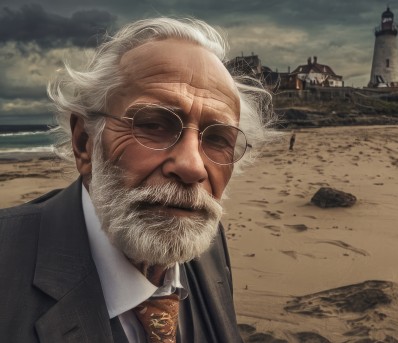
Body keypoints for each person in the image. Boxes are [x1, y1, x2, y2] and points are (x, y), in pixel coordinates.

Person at [0, 17, 274, 342]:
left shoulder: (211, 246)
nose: (192, 167)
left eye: (217, 139)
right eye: (154, 124)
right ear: (84, 143)